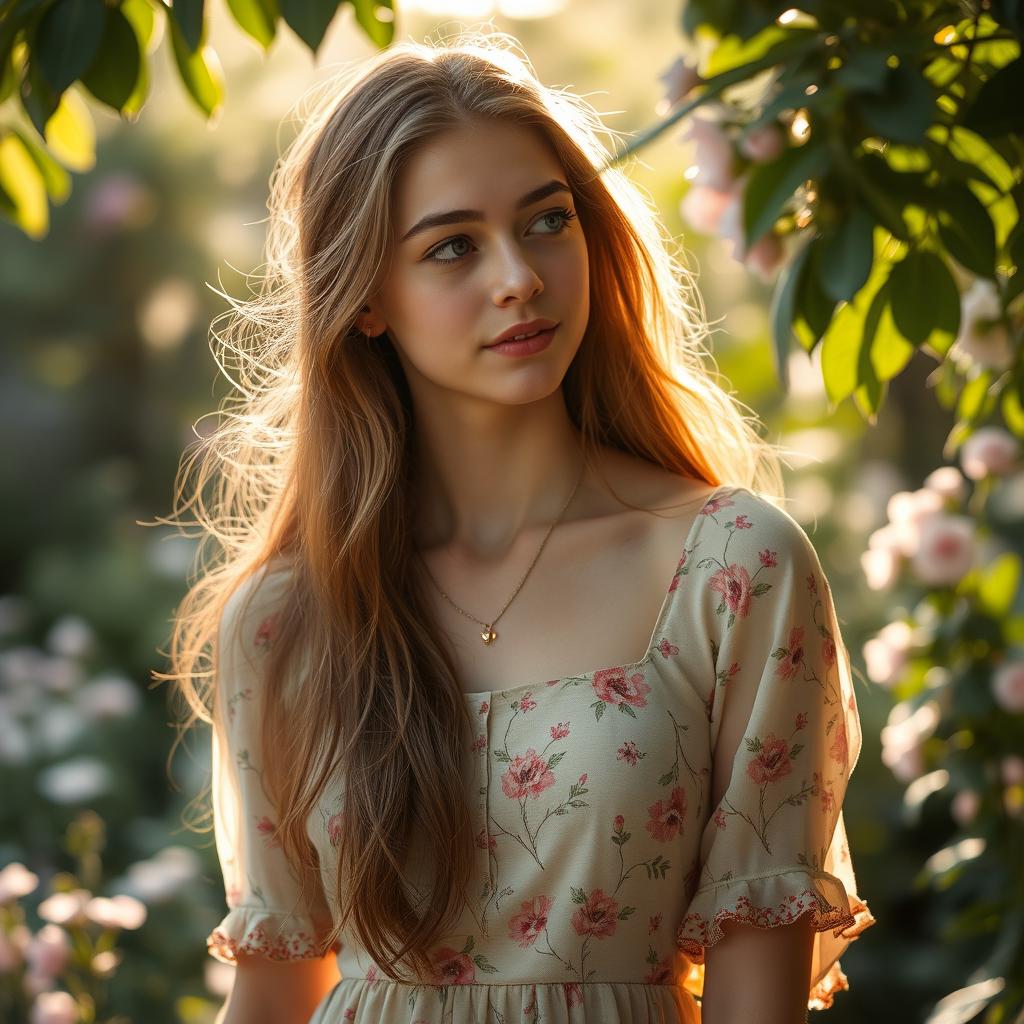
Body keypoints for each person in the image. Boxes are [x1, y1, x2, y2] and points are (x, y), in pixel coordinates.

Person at [163, 29, 875, 1024]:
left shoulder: (734, 566)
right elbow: (276, 987)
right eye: (452, 245)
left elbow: (759, 998)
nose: (519, 277)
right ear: (365, 295)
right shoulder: (288, 620)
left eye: (546, 222)